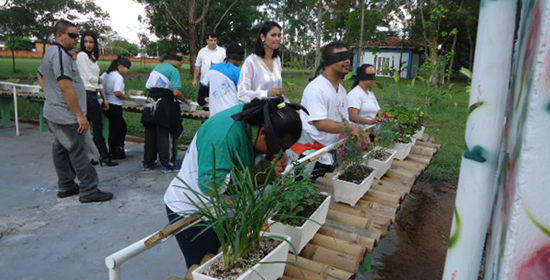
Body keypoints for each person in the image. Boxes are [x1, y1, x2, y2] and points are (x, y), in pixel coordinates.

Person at [164, 96, 307, 269]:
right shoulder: (223, 135)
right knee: (205, 267)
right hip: (194, 212)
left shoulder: (261, 118)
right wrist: (262, 173)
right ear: (263, 132)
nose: (281, 152)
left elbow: (258, 151)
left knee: (233, 261)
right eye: (278, 147)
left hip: (227, 208)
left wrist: (274, 155)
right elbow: (212, 185)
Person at [37, 19, 113, 203]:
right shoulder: (61, 55)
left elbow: (41, 76)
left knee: (61, 149)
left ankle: (66, 185)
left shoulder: (52, 53)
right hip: (65, 116)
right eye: (73, 35)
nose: (76, 39)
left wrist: (51, 95)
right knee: (79, 150)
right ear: (60, 35)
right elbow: (65, 86)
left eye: (77, 36)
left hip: (54, 112)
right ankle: (88, 189)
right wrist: (79, 114)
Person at [289, 41, 365, 180]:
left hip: (327, 150)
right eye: (341, 57)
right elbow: (321, 124)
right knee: (301, 190)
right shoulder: (317, 88)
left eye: (347, 56)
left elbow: (342, 118)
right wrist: (351, 128)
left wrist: (356, 131)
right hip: (309, 154)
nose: (347, 60)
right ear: (329, 61)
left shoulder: (341, 90)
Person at [141, 49, 193, 172]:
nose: (182, 63)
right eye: (180, 60)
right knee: (165, 133)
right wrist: (186, 101)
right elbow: (176, 92)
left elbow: (148, 86)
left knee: (151, 134)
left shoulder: (157, 68)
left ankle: (148, 162)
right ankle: (167, 164)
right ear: (172, 59)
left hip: (150, 103)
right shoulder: (173, 71)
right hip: (164, 104)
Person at [76, 30, 117, 167]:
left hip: (93, 94)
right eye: (86, 42)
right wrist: (98, 80)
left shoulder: (92, 58)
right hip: (86, 93)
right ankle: (104, 156)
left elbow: (98, 82)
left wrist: (104, 98)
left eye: (91, 42)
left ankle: (89, 156)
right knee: (96, 126)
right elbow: (89, 77)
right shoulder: (82, 55)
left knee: (88, 127)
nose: (88, 44)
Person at [237, 21, 284, 103]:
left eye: (279, 35)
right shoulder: (251, 62)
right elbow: (241, 94)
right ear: (263, 37)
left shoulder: (277, 60)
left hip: (274, 110)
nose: (277, 39)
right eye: (273, 35)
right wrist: (266, 94)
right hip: (257, 111)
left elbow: (277, 92)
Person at [197, 42, 245, 116]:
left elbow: (203, 88)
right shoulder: (238, 72)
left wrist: (202, 102)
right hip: (232, 113)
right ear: (239, 58)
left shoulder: (213, 69)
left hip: (215, 114)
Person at [101, 56, 132, 160]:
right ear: (121, 66)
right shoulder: (118, 77)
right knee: (119, 129)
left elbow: (99, 83)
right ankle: (116, 151)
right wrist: (126, 96)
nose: (128, 70)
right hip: (115, 105)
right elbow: (117, 92)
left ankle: (113, 150)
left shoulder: (106, 74)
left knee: (115, 128)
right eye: (127, 68)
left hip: (107, 104)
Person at [346, 64, 384, 132]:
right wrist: (369, 122)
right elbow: (353, 116)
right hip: (359, 133)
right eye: (369, 76)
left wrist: (381, 118)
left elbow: (378, 112)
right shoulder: (355, 94)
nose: (373, 79)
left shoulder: (371, 94)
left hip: (372, 132)